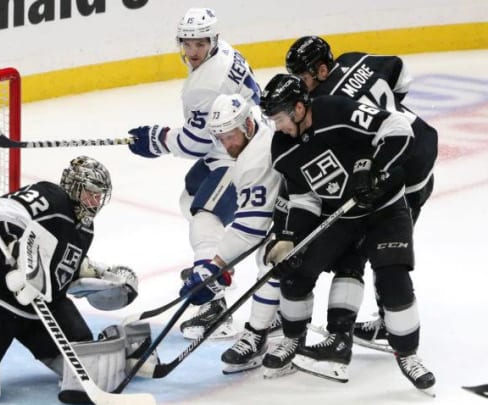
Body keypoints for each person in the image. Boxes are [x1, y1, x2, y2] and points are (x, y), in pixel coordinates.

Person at [258, 74, 435, 394]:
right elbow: (304, 198)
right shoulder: (283, 148)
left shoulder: (336, 111)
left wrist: (375, 169)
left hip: (386, 210)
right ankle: (293, 340)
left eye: (280, 118)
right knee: (295, 272)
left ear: (299, 108)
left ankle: (408, 354)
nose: (278, 126)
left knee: (393, 277)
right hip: (340, 217)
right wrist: (290, 239)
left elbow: (396, 126)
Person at [0, 156, 145, 403]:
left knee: (88, 362)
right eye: (90, 193)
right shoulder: (51, 196)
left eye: (99, 196)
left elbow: (64, 273)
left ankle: (122, 350)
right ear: (73, 187)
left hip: (41, 308)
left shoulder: (85, 230)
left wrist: (100, 280)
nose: (95, 202)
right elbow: (4, 210)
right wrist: (15, 247)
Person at [285, 35, 438, 350]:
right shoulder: (355, 58)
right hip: (419, 139)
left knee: (385, 244)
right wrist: (389, 108)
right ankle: (388, 316)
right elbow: (400, 71)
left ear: (323, 70)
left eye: (302, 77)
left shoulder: (325, 101)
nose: (299, 84)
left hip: (402, 165)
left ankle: (392, 321)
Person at [127, 7, 262, 340]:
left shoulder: (204, 84)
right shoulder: (226, 51)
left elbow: (194, 144)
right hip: (234, 143)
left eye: (199, 44)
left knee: (205, 218)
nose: (192, 52)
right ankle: (217, 262)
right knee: (191, 196)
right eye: (186, 44)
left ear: (212, 41)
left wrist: (155, 139)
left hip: (240, 156)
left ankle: (214, 300)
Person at [179, 93, 284, 374]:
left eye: (231, 136)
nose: (226, 145)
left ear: (248, 125)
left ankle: (258, 334)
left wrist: (212, 267)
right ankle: (280, 315)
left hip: (314, 210)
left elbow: (250, 231)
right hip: (289, 205)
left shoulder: (255, 160)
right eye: (220, 137)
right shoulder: (256, 135)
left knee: (272, 259)